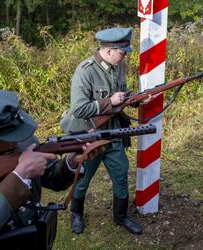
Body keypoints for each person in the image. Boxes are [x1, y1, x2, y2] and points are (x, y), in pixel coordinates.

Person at [0, 90, 104, 250]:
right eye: (10, 137)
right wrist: (20, 174)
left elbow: (53, 179)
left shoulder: (23, 140)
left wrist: (70, 162)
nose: (19, 141)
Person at [60, 27, 143, 235]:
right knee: (83, 178)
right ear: (108, 51)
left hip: (113, 133)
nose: (125, 56)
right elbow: (78, 108)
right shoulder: (85, 70)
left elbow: (121, 93)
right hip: (89, 135)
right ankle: (76, 214)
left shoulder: (119, 65)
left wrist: (135, 99)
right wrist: (109, 101)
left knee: (121, 173)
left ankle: (121, 216)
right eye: (122, 52)